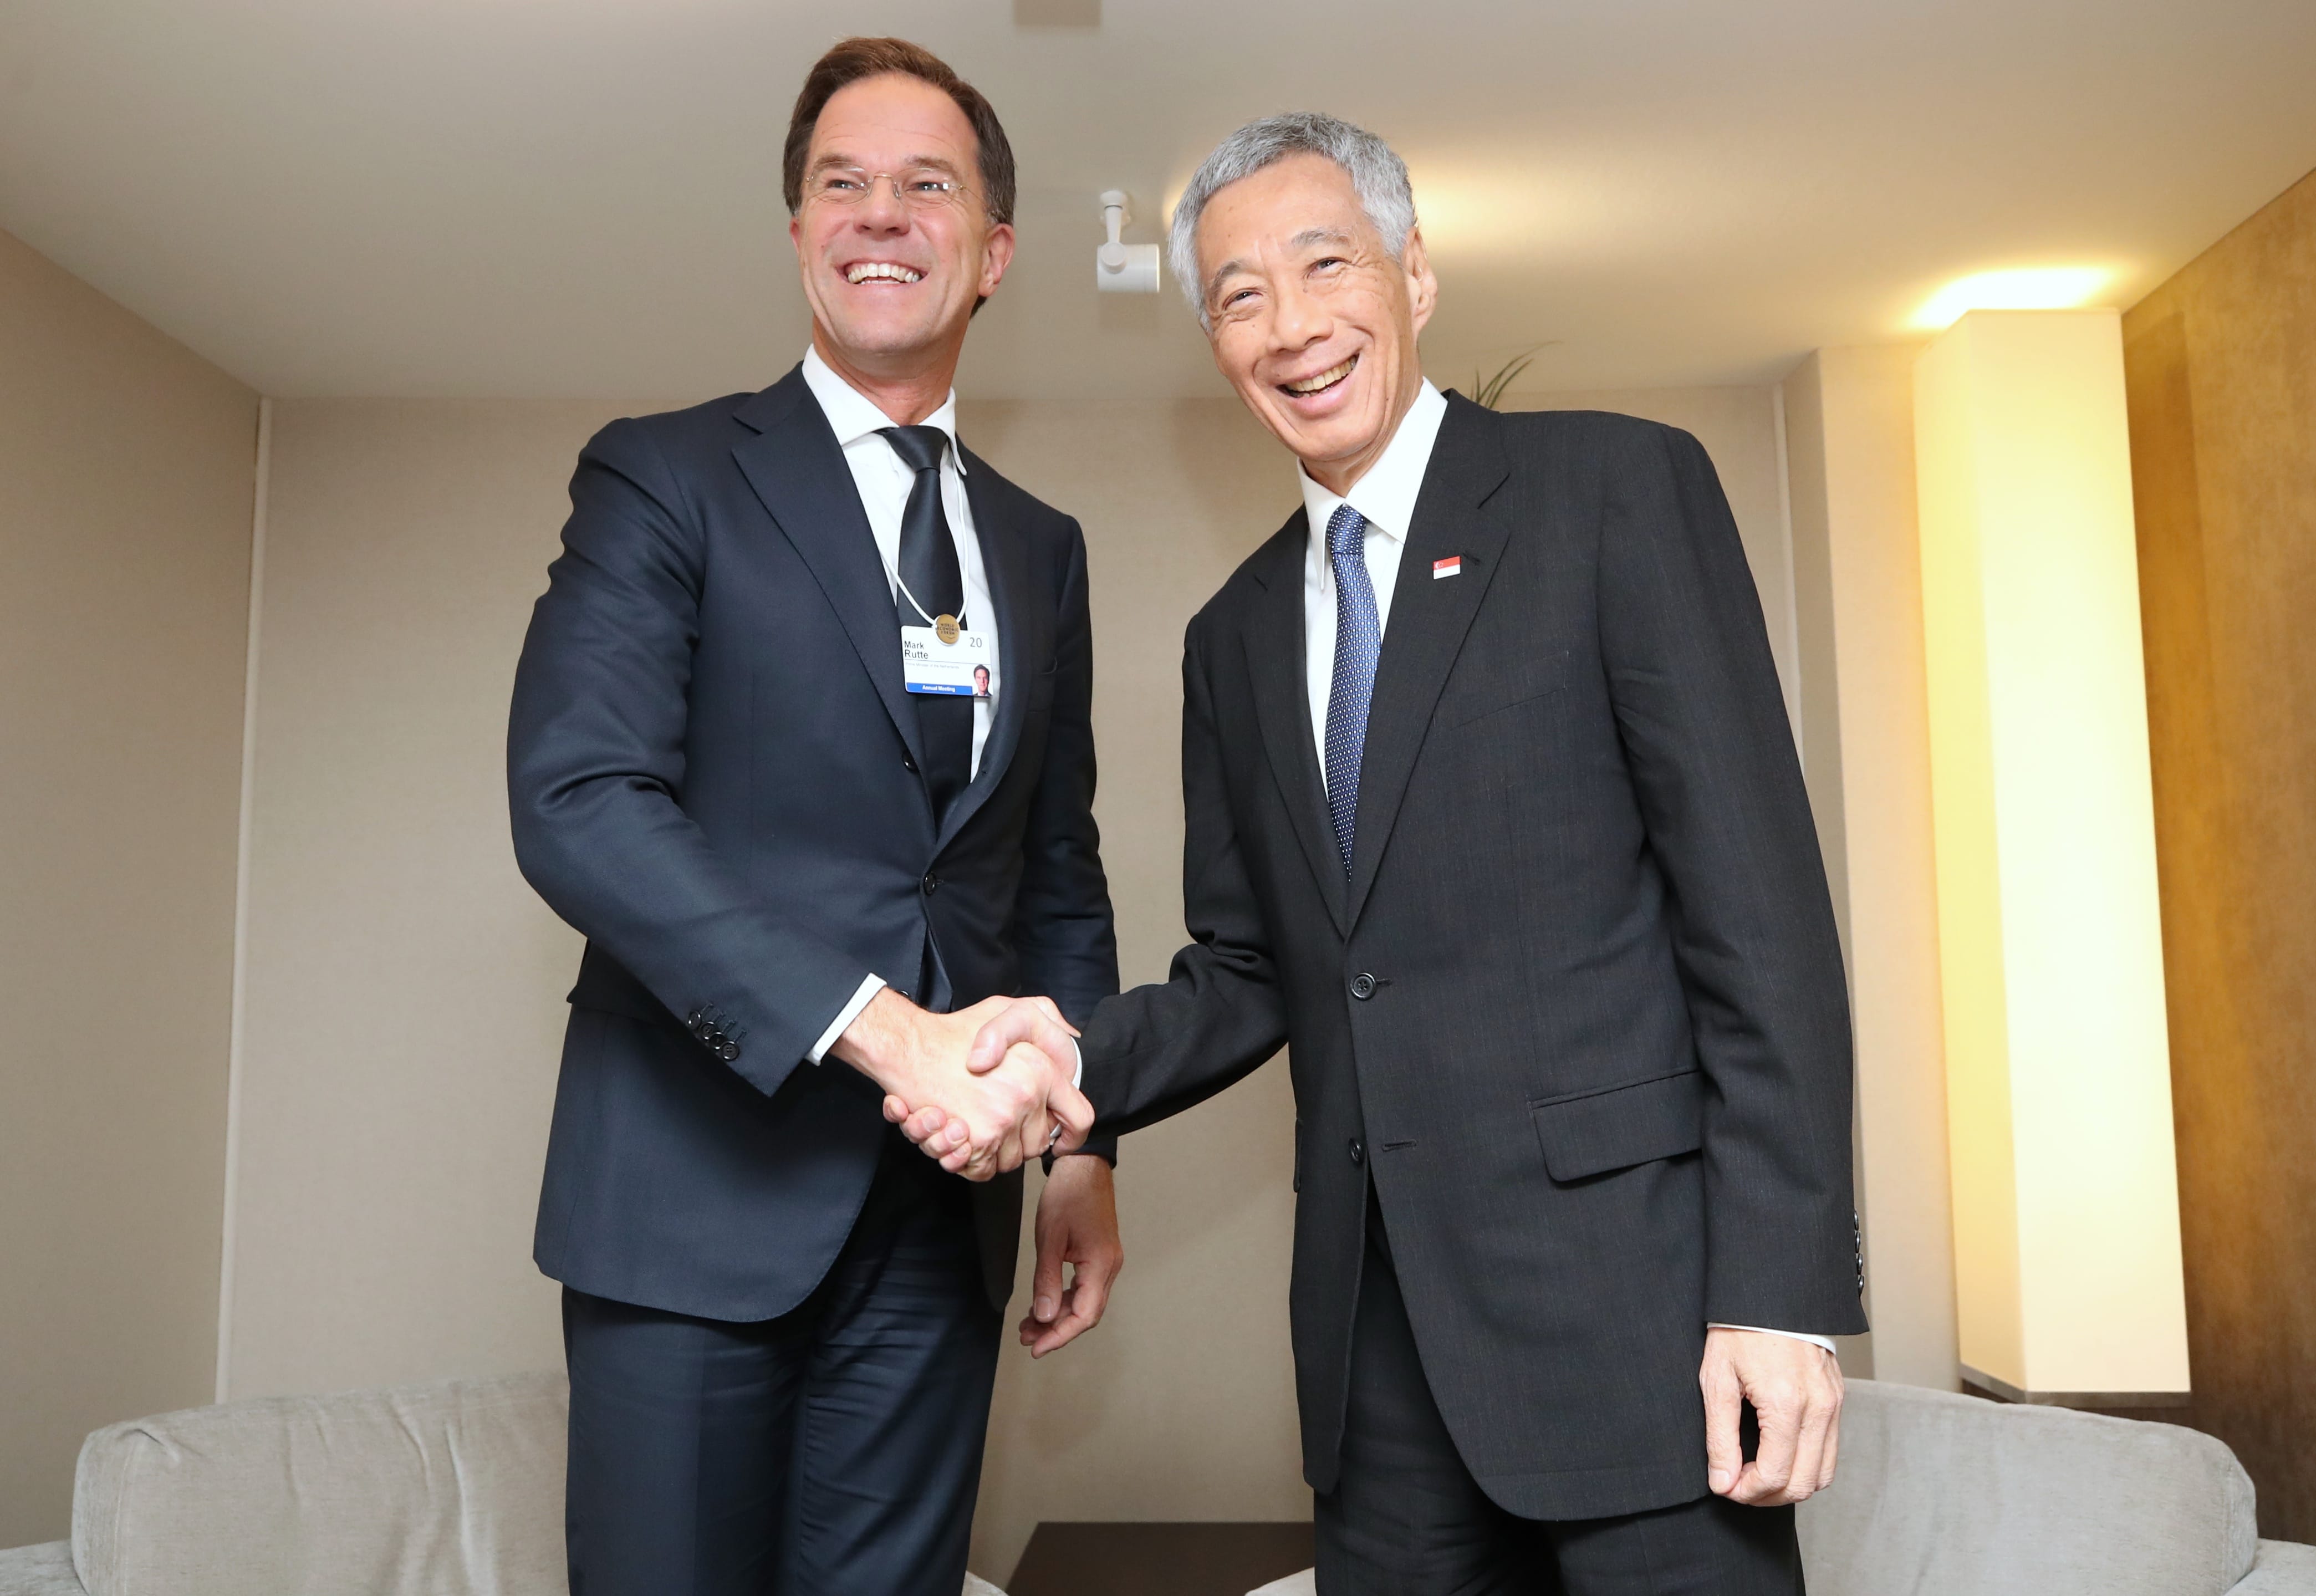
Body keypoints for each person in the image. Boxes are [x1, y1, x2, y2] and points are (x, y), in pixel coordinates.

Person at [899, 112, 1865, 1594]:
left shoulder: (1612, 492)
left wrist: (1779, 1300)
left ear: (1412, 277)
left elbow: (1760, 921)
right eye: (1236, 296)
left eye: (1321, 264)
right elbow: (1245, 972)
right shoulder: (1229, 638)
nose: (1288, 327)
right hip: (1377, 1368)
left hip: (1644, 1340)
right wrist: (1055, 1067)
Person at [507, 37, 1116, 1596]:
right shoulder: (666, 476)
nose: (878, 215)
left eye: (928, 187)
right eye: (840, 186)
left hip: (943, 1219)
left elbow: (1051, 873)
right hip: (693, 1204)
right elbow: (579, 803)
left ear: (993, 252)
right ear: (797, 236)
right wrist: (878, 1026)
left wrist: (1084, 1146)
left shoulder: (1042, 552)